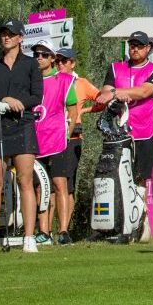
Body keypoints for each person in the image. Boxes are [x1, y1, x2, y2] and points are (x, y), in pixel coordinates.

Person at [0, 19, 44, 253]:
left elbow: (37, 96)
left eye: (11, 34)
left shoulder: (30, 65)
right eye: (4, 34)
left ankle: (29, 237)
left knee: (25, 181)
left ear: (20, 38)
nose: (6, 37)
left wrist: (18, 103)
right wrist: (1, 102)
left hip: (23, 124)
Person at [94, 31, 153, 200]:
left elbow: (143, 92)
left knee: (140, 178)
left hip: (146, 130)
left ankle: (139, 218)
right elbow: (104, 91)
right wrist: (112, 94)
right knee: (117, 174)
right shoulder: (115, 68)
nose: (135, 49)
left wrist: (115, 92)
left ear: (148, 48)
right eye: (132, 45)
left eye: (140, 46)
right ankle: (122, 218)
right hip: (119, 132)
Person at [30, 40, 78, 245]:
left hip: (57, 140)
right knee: (40, 187)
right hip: (34, 141)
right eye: (36, 54)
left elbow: (73, 110)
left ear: (52, 58)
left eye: (43, 54)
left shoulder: (64, 80)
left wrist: (68, 133)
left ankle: (63, 230)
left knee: (60, 184)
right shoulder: (29, 80)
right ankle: (44, 231)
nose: (38, 57)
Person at [54, 47, 99, 230]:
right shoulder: (51, 80)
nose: (60, 64)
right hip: (52, 136)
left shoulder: (80, 83)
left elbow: (102, 99)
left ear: (73, 63)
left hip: (72, 137)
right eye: (57, 61)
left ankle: (64, 229)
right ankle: (49, 230)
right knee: (51, 184)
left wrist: (86, 110)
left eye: (64, 61)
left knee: (67, 183)